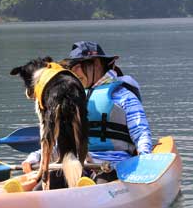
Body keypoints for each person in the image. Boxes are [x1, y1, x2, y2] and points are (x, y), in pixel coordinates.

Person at [22, 41, 152, 183]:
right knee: (53, 179)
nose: (73, 73)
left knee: (102, 180)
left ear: (96, 64)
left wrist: (144, 159)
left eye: (77, 67)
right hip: (80, 163)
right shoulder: (72, 97)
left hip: (114, 166)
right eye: (70, 67)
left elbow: (141, 134)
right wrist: (37, 156)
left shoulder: (124, 96)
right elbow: (63, 141)